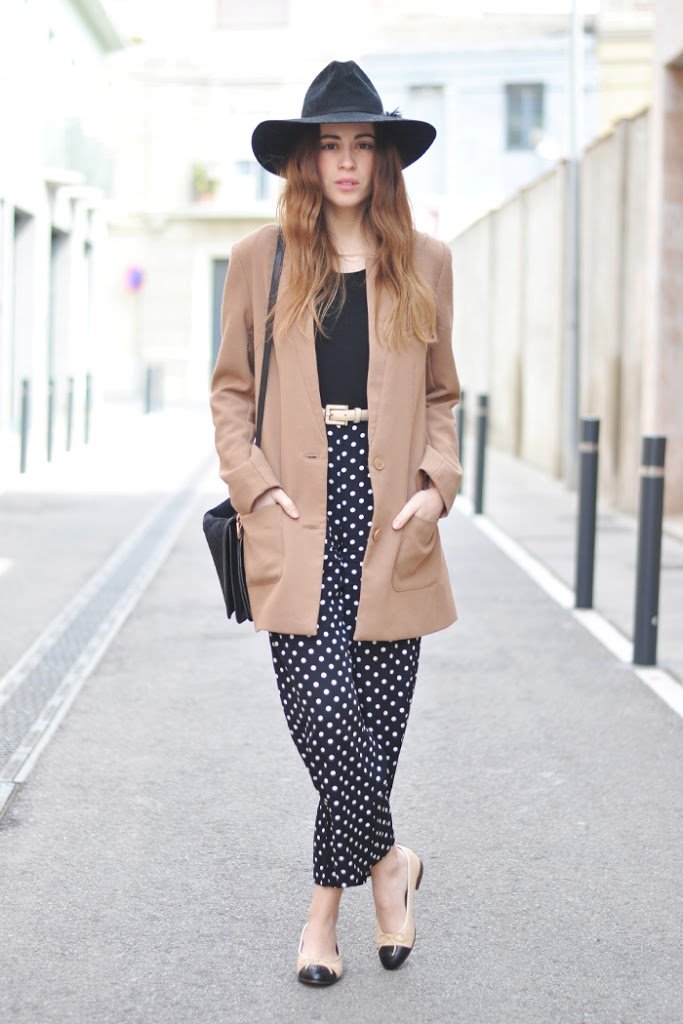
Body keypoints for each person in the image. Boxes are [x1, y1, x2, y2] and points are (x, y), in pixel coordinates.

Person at [209, 60, 463, 986]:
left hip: (394, 520)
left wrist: (436, 485)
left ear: (382, 160)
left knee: (374, 735)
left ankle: (325, 919)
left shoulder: (425, 259)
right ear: (306, 160)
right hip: (297, 515)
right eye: (329, 144)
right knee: (328, 725)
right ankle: (389, 865)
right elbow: (230, 394)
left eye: (362, 144)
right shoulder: (261, 258)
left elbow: (442, 396)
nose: (346, 161)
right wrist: (254, 487)